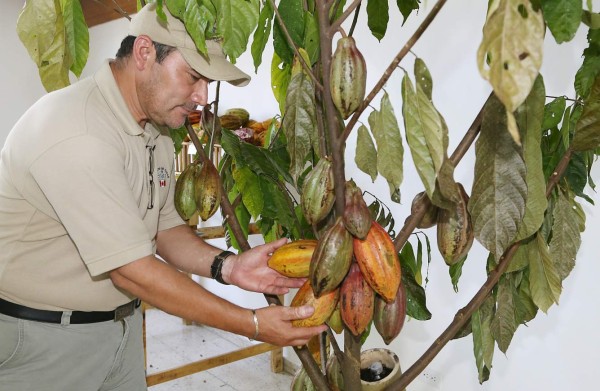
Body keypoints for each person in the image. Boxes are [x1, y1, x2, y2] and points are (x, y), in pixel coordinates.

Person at [0, 3, 327, 390]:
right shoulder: (78, 131)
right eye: (192, 76)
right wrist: (252, 324)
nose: (202, 96)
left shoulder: (154, 131)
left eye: (208, 82)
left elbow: (165, 229)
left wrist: (230, 267)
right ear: (144, 53)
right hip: (43, 340)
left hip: (118, 331)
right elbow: (132, 270)